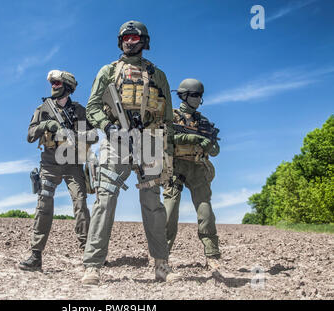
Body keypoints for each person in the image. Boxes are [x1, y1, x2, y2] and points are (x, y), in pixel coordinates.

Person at [81, 20, 181, 285]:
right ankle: (93, 266)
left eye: (135, 37)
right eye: (126, 37)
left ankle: (161, 265)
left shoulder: (157, 74)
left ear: (144, 41)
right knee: (104, 200)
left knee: (152, 204)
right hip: (116, 143)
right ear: (120, 41)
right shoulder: (108, 71)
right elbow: (92, 107)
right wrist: (109, 127)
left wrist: (167, 153)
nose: (130, 40)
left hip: (150, 141)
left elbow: (168, 117)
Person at [19, 70, 97, 271]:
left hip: (73, 163)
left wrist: (76, 135)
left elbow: (94, 135)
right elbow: (29, 135)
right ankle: (35, 256)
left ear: (67, 86)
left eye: (57, 83)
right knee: (44, 204)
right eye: (52, 83)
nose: (53, 86)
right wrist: (47, 124)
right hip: (50, 163)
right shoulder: (43, 108)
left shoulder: (80, 111)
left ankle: (89, 255)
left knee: (80, 203)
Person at [163, 78, 221, 270]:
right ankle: (161, 257)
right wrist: (191, 137)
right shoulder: (170, 115)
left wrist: (208, 143)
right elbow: (167, 136)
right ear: (184, 95)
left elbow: (215, 151)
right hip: (175, 166)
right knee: (170, 212)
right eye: (195, 95)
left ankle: (212, 255)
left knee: (205, 210)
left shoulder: (203, 121)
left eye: (200, 96)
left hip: (197, 167)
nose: (198, 99)